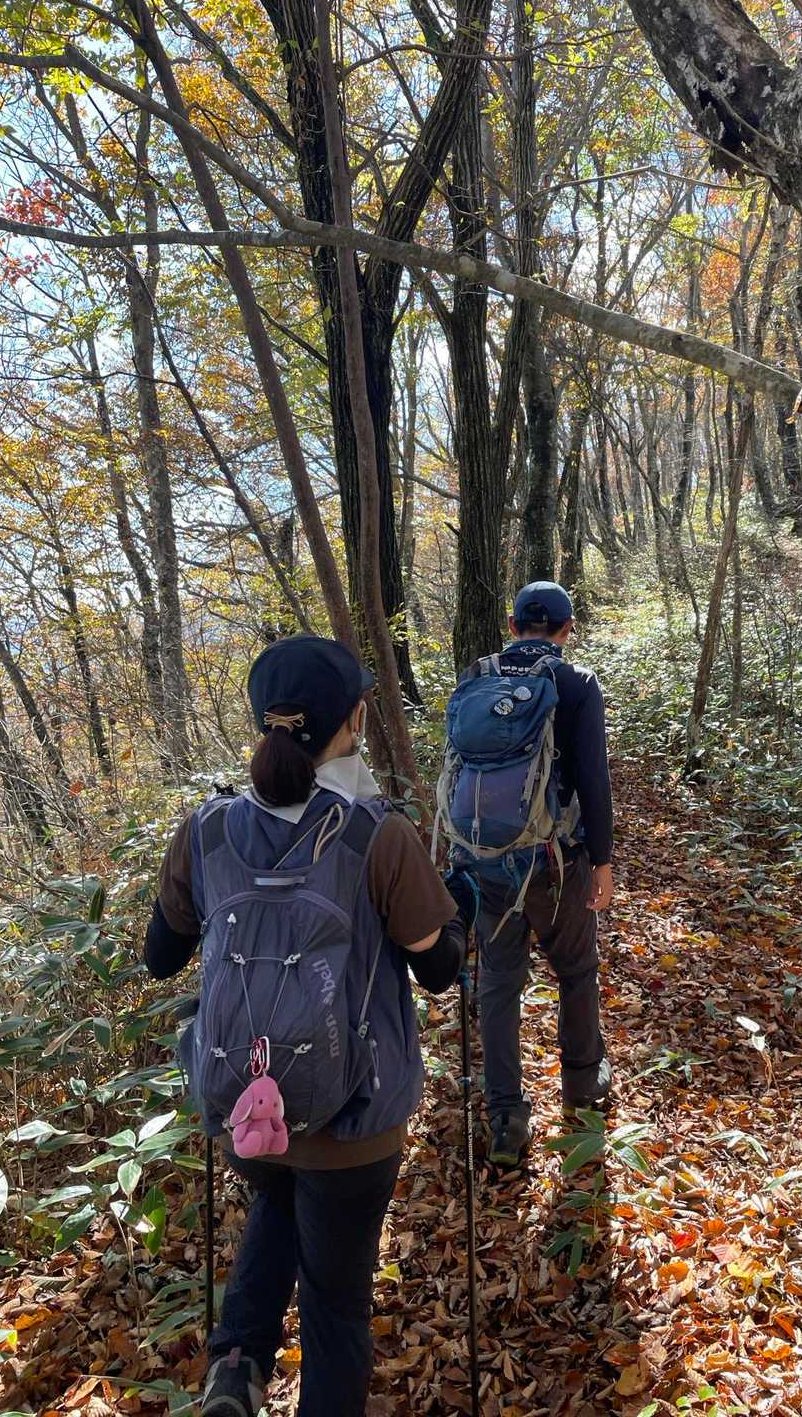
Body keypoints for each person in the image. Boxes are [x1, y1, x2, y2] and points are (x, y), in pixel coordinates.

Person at [144, 635, 475, 1417]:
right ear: (353, 719)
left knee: (280, 1196)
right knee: (336, 1305)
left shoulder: (207, 830)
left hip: (244, 1109)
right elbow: (438, 969)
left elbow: (161, 956)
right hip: (355, 1122)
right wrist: (457, 908)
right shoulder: (375, 834)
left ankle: (237, 1364)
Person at [456, 581, 614, 1168]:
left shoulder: (475, 678)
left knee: (499, 982)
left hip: (486, 861)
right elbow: (594, 781)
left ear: (513, 625)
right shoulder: (577, 684)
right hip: (556, 861)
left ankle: (505, 1116)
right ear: (567, 630)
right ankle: (582, 1088)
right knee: (576, 970)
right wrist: (602, 861)